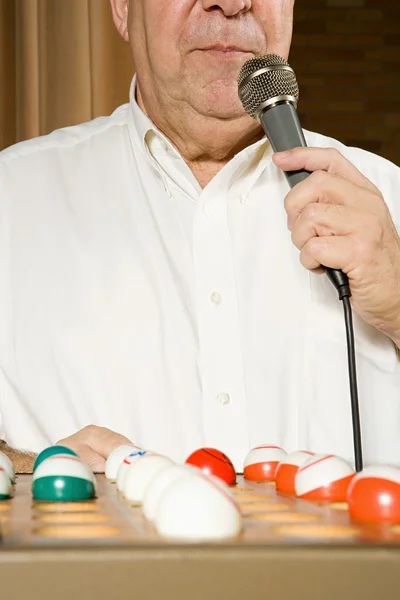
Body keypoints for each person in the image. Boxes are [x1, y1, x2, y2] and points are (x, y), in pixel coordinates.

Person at [0, 0, 399, 474]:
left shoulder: (388, 197)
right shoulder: (12, 196)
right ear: (123, 9)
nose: (232, 4)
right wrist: (29, 469)